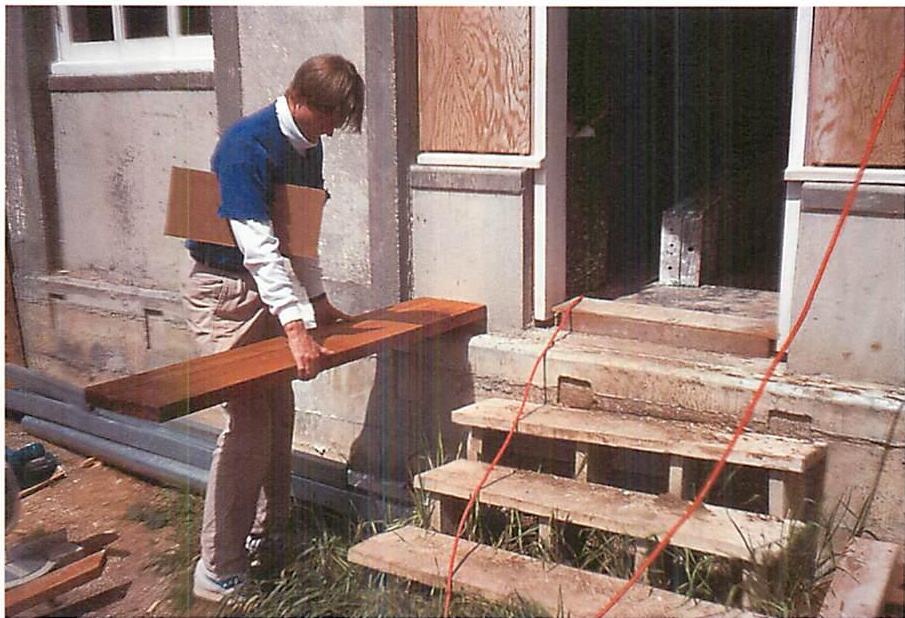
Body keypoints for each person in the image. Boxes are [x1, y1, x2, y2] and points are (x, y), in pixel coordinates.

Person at [183, 54, 364, 602]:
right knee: (247, 428)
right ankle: (217, 568)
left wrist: (319, 301)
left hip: (262, 292)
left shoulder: (308, 146)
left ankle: (268, 536)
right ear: (303, 101)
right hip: (223, 294)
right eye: (331, 116)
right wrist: (295, 328)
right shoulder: (247, 145)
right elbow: (260, 248)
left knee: (278, 416)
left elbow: (298, 234)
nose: (334, 128)